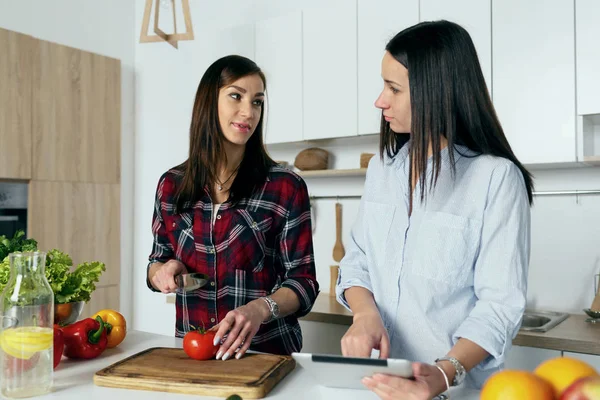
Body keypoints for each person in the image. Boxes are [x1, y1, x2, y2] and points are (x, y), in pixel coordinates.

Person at [336, 20, 534, 399]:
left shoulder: (495, 178)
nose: (380, 101)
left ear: (436, 91)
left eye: (394, 88)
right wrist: (365, 314)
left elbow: (500, 305)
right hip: (377, 385)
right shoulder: (382, 168)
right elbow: (358, 260)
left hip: (452, 391)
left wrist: (444, 373)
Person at [147, 55, 319, 359]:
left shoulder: (285, 186)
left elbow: (304, 282)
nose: (248, 111)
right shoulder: (171, 186)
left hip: (266, 355)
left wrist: (261, 308)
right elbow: (157, 261)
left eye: (257, 102)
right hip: (194, 352)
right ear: (208, 102)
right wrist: (163, 271)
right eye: (236, 96)